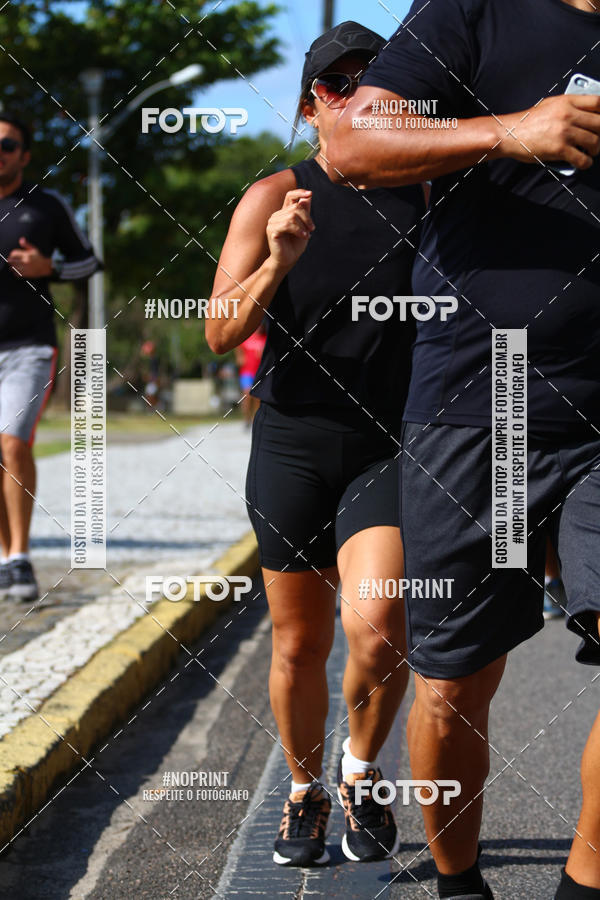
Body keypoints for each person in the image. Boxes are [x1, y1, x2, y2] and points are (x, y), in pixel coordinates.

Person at [327, 0, 600, 897]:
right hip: (488, 398)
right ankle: (457, 884)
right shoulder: (475, 10)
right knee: (455, 680)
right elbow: (352, 145)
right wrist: (511, 131)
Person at [206, 21, 425, 868]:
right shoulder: (271, 196)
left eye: (378, 83)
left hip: (391, 444)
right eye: (338, 85)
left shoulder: (433, 194)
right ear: (310, 108)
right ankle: (304, 791)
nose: (359, 96)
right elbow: (223, 333)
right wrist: (276, 262)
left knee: (379, 624)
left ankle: (361, 772)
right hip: (294, 440)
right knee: (298, 644)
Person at [0, 113, 101, 601]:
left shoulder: (44, 206)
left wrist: (48, 267)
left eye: (7, 144)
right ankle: (6, 559)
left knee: (13, 442)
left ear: (24, 154)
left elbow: (89, 262)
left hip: (28, 346)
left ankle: (20, 558)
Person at [235, 324, 266, 426]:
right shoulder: (247, 337)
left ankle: (254, 418)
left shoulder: (265, 338)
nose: (259, 327)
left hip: (260, 372)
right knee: (247, 394)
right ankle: (246, 418)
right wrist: (240, 357)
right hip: (247, 372)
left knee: (258, 397)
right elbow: (238, 347)